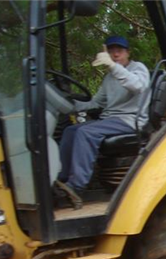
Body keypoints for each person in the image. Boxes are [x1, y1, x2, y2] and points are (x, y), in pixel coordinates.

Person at [55, 36, 150, 206]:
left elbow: (137, 86)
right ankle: (61, 180)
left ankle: (76, 186)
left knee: (86, 132)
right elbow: (96, 103)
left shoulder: (137, 69)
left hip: (130, 120)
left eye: (119, 51)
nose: (115, 55)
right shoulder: (109, 78)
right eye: (111, 51)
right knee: (71, 131)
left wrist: (113, 67)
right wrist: (68, 104)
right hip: (111, 119)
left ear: (127, 53)